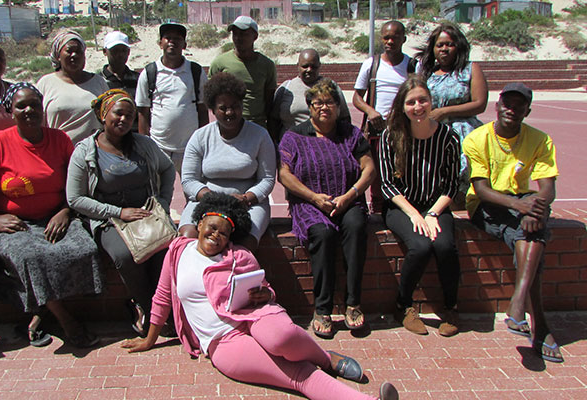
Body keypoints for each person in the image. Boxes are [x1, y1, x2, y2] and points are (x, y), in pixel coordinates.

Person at [121, 193, 399, 400]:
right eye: (212, 228)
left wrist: (263, 294)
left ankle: (327, 358)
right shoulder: (179, 250)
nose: (216, 236)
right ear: (201, 221)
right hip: (222, 340)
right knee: (296, 376)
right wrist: (149, 339)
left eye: (224, 233)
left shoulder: (239, 256)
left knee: (282, 339)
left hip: (255, 317)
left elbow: (267, 290)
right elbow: (162, 296)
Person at [0, 83, 102, 348]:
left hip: (56, 217)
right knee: (31, 257)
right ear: (11, 111)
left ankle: (40, 312)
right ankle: (67, 320)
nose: (29, 110)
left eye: (35, 104)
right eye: (21, 106)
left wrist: (65, 211)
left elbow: (75, 183)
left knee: (84, 249)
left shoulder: (59, 139)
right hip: (14, 224)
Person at [463, 83, 563, 363]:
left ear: (527, 111)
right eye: (507, 103)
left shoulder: (540, 140)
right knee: (531, 236)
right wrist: (522, 206)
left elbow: (547, 187)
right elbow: (481, 190)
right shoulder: (477, 138)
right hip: (488, 206)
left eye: (519, 105)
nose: (512, 109)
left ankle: (520, 309)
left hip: (523, 206)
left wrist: (535, 209)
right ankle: (537, 324)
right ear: (497, 106)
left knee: (530, 233)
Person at [66, 89, 176, 336]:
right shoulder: (84, 151)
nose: (124, 120)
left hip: (147, 214)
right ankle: (146, 307)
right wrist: (118, 212)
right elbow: (75, 199)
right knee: (125, 256)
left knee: (167, 250)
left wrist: (163, 203)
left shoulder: (144, 144)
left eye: (129, 115)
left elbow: (168, 169)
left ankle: (161, 309)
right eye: (118, 113)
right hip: (108, 219)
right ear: (104, 114)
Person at [277, 79, 375, 338]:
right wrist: (313, 198)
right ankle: (323, 308)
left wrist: (349, 195)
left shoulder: (351, 133)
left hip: (347, 198)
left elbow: (369, 169)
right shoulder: (294, 136)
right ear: (309, 107)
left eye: (330, 102)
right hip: (310, 203)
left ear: (338, 106)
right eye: (317, 102)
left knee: (355, 227)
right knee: (323, 233)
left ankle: (353, 303)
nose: (324, 107)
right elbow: (284, 175)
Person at [378, 76, 461, 337]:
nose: (418, 107)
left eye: (423, 100)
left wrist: (433, 213)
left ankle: (450, 307)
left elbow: (451, 185)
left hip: (436, 205)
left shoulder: (448, 137)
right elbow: (387, 185)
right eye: (411, 102)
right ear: (402, 106)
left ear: (431, 102)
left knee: (445, 246)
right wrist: (415, 214)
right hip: (400, 207)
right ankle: (403, 305)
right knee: (421, 246)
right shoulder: (390, 135)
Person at [179, 72, 276, 252]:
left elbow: (268, 179)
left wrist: (246, 198)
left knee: (243, 245)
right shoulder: (200, 137)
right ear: (213, 109)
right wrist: (212, 197)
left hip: (248, 204)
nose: (230, 112)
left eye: (235, 106)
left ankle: (236, 279)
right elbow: (189, 180)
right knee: (187, 239)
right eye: (223, 108)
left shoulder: (260, 135)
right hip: (207, 200)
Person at [418, 23, 488, 197]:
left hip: (465, 132)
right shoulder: (428, 74)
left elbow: (480, 103)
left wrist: (445, 112)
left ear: (459, 46)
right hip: (435, 132)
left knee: (464, 175)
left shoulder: (470, 69)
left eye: (449, 44)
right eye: (439, 45)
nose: (444, 49)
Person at [352, 20, 414, 212]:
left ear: (403, 39)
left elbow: (419, 95)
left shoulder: (412, 66)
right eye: (386, 37)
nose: (390, 41)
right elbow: (356, 97)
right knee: (377, 175)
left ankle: (401, 209)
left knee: (403, 172)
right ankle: (378, 211)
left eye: (395, 37)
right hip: (377, 131)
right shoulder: (372, 64)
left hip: (403, 129)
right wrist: (370, 111)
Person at [135, 22, 208, 174]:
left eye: (177, 39)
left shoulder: (196, 71)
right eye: (167, 38)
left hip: (190, 147)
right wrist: (145, 146)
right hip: (158, 147)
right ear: (160, 43)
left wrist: (202, 142)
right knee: (158, 193)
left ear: (184, 44)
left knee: (195, 192)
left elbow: (202, 109)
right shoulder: (149, 73)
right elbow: (143, 112)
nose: (172, 42)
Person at [37, 29, 109, 144]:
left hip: (92, 154)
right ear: (58, 55)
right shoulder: (45, 83)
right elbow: (38, 124)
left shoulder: (98, 82)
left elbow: (108, 120)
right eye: (69, 51)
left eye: (78, 51)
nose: (74, 55)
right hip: (57, 153)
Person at [269, 49, 351, 142]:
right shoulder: (286, 88)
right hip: (291, 145)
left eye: (313, 66)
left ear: (319, 66)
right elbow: (273, 120)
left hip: (323, 144)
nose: (309, 70)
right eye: (305, 66)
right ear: (298, 66)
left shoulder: (331, 87)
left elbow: (344, 118)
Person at [209, 16, 277, 128]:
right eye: (235, 34)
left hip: (256, 126)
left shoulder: (267, 65)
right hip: (228, 125)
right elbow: (211, 97)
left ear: (255, 36)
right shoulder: (219, 63)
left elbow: (269, 101)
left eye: (243, 34)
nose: (238, 38)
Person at [101, 31, 139, 100]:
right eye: (115, 50)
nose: (120, 54)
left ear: (128, 52)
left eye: (123, 50)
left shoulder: (138, 79)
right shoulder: (99, 80)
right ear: (105, 52)